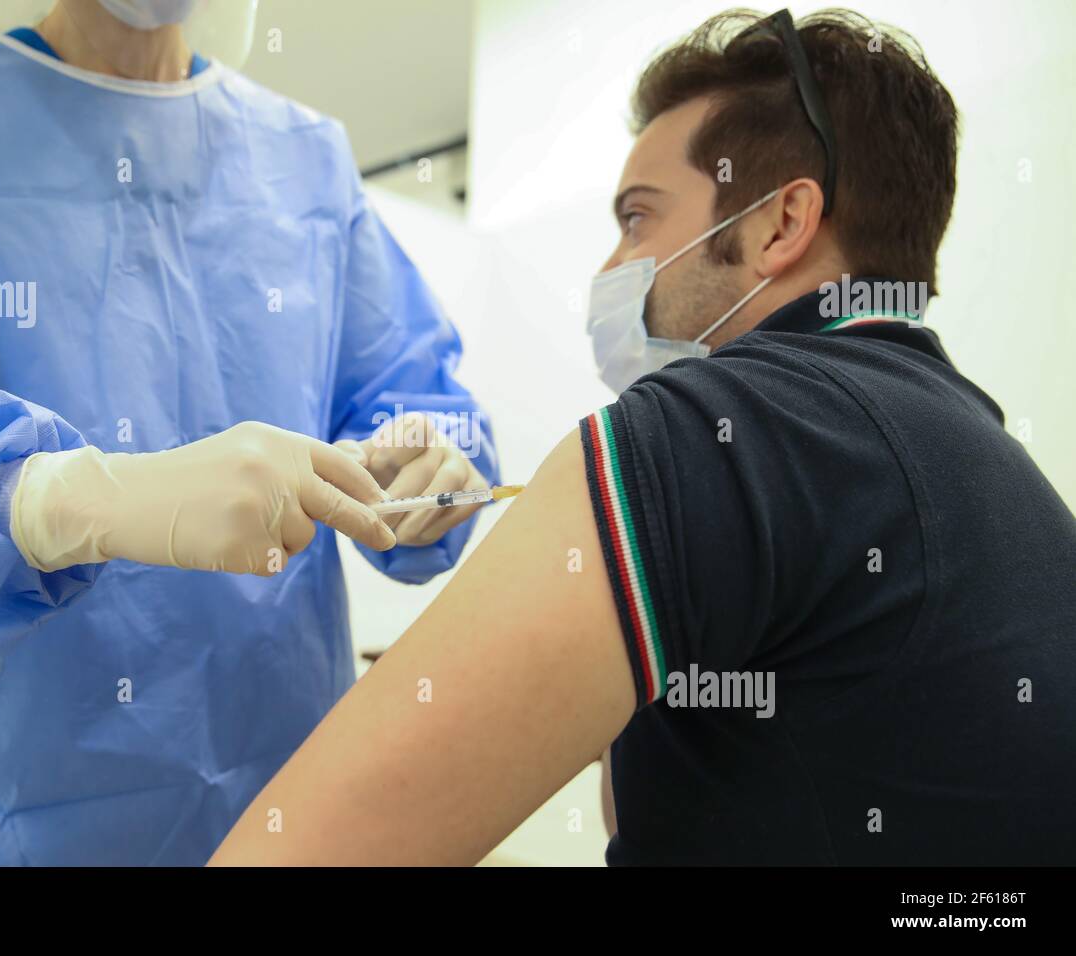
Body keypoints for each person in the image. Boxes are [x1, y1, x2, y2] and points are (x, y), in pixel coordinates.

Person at [207, 8, 1076, 866]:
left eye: (637, 219)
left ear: (781, 225)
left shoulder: (714, 429)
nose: (607, 271)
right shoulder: (994, 461)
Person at [0, 0, 496, 864]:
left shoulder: (306, 161)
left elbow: (407, 383)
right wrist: (52, 503)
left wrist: (422, 451)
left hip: (283, 797)